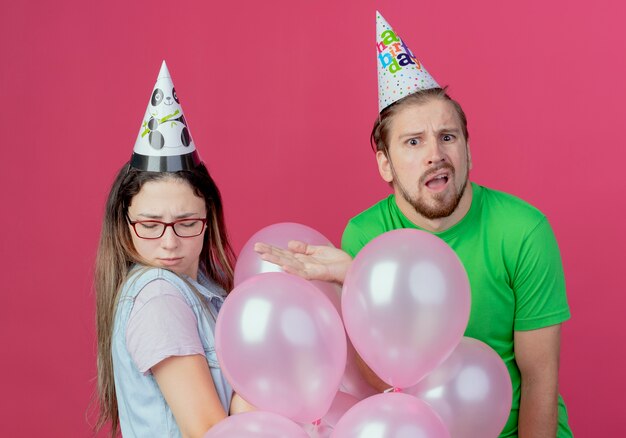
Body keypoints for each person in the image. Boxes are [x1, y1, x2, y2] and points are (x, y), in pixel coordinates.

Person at [254, 13, 572, 437]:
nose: (434, 154)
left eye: (448, 136)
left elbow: (539, 379)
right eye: (413, 141)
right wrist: (357, 279)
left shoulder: (523, 230)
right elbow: (381, 380)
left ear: (468, 151)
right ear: (385, 164)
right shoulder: (366, 236)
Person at [95, 61, 252, 438]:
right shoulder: (160, 296)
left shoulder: (204, 290)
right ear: (125, 222)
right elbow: (209, 431)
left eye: (186, 223)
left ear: (208, 217)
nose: (169, 243)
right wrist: (259, 381)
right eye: (150, 225)